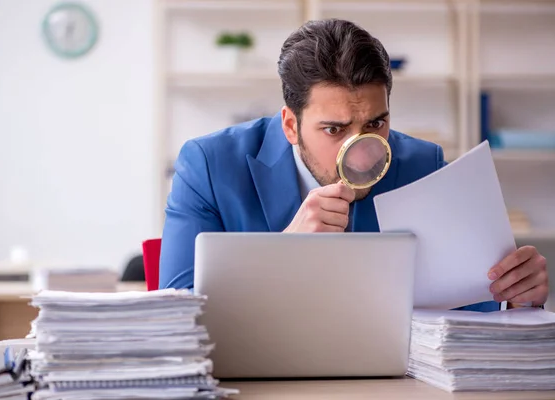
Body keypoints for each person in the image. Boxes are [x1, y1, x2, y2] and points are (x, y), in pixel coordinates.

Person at [159, 19, 549, 311]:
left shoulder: (424, 165)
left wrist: (512, 298)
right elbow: (177, 311)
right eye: (334, 129)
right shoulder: (209, 165)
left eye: (376, 124)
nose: (361, 152)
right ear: (291, 125)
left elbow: (468, 304)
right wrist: (281, 253)